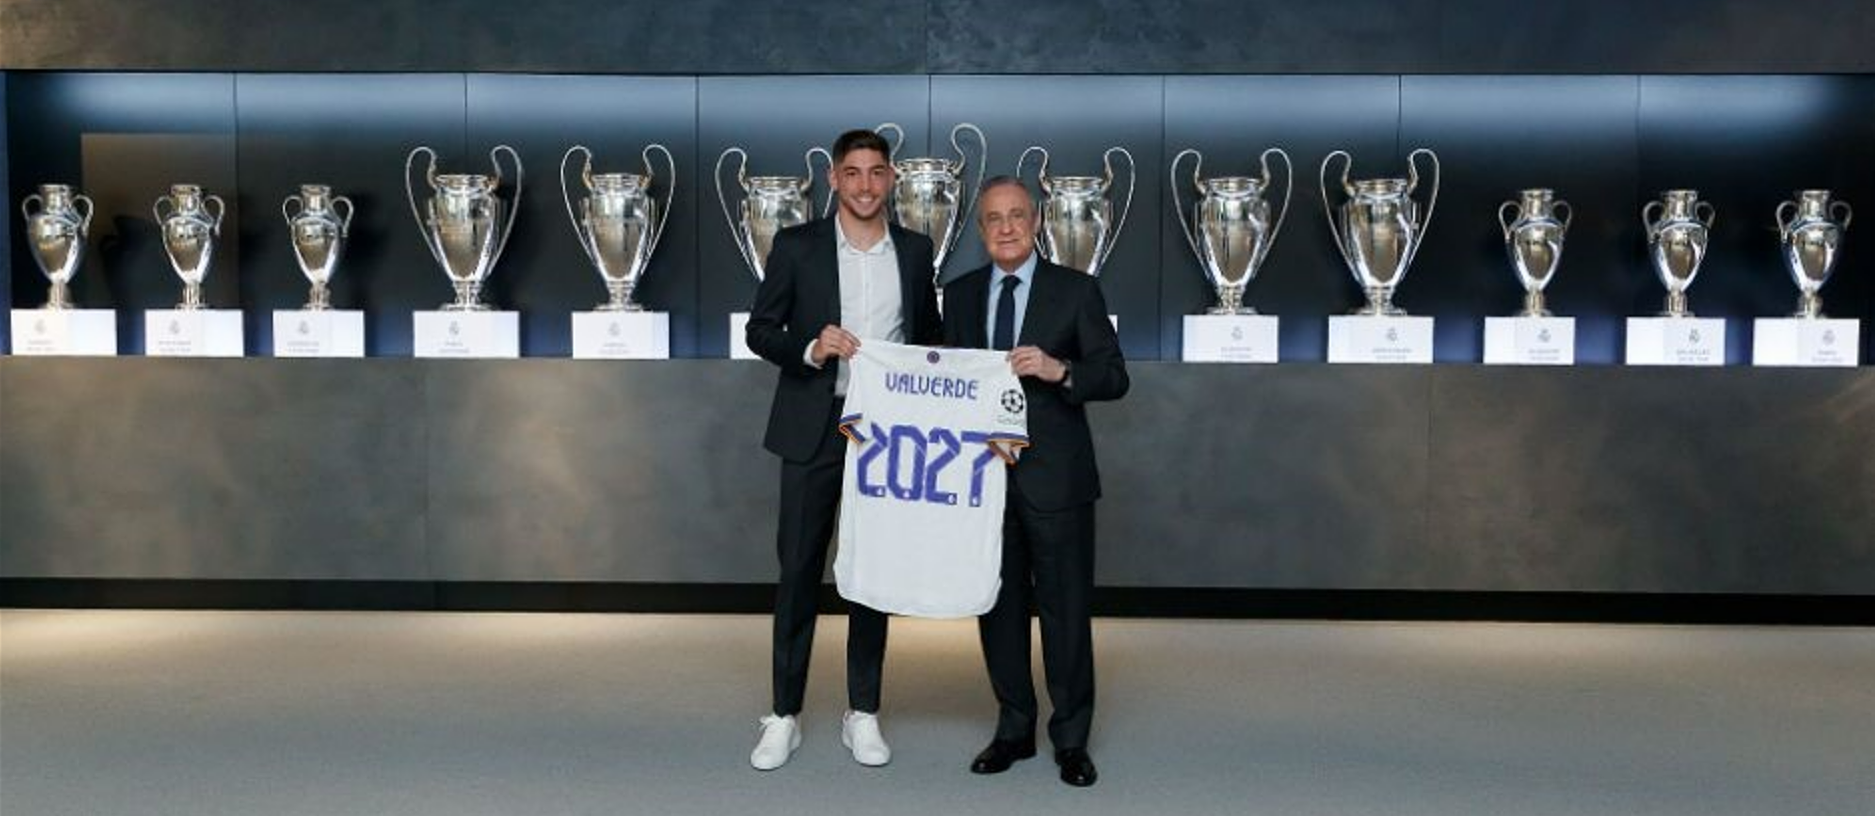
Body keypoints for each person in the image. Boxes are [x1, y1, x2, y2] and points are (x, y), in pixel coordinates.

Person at [744, 128, 942, 771]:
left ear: (891, 179)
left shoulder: (915, 251)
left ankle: (863, 711)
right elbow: (759, 330)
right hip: (813, 426)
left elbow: (929, 342)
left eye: (876, 172)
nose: (864, 185)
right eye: (852, 173)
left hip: (884, 433)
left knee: (870, 574)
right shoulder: (796, 246)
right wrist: (809, 347)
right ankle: (784, 714)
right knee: (799, 571)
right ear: (833, 179)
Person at [941, 175, 1129, 787]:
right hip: (983, 482)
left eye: (1016, 215)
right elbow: (942, 380)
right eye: (993, 218)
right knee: (998, 609)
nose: (1006, 227)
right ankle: (1014, 729)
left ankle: (1071, 740)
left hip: (1058, 482)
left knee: (1065, 612)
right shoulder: (959, 296)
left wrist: (1058, 369)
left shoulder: (1076, 290)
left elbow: (1114, 376)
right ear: (980, 229)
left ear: (1038, 220)